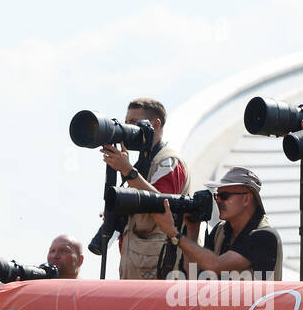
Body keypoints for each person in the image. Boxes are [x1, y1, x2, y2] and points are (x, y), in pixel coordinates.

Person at [100, 98, 190, 280]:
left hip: (160, 269)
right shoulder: (143, 162)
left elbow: (162, 203)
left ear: (155, 125)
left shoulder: (168, 161)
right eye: (126, 123)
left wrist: (127, 170)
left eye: (134, 123)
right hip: (137, 267)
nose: (128, 129)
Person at [153, 166, 281, 279]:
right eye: (216, 196)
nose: (218, 201)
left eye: (224, 196)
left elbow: (217, 265)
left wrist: (174, 234)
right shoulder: (220, 232)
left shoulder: (264, 236)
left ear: (246, 199)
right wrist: (193, 230)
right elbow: (193, 274)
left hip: (255, 307)